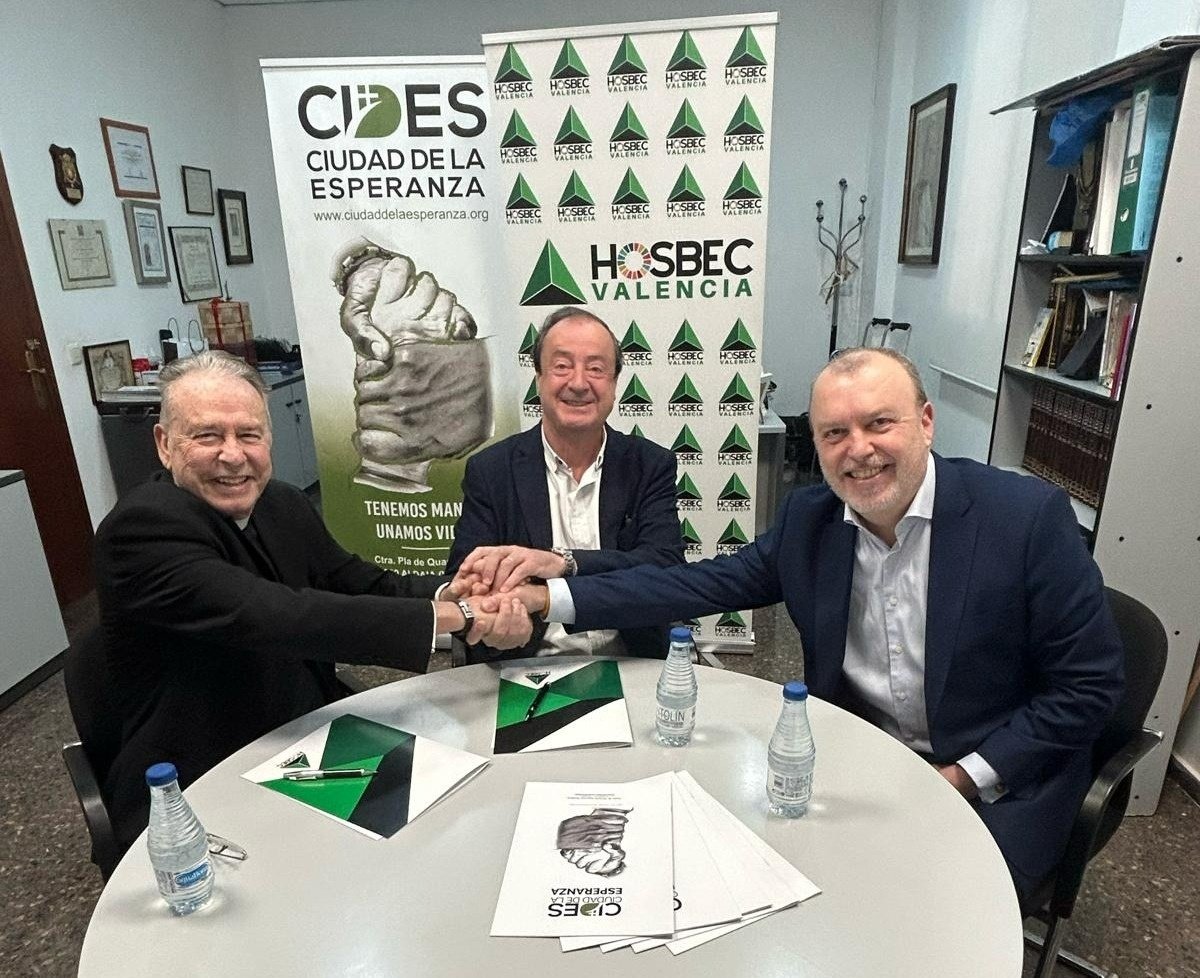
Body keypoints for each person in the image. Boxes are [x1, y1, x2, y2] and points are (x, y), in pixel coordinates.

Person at [491, 347, 1123, 910]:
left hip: (1000, 774)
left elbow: (1089, 687)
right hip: (864, 757)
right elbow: (691, 584)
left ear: (926, 422)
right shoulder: (810, 520)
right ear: (815, 446)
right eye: (834, 433)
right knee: (780, 887)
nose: (859, 449)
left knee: (940, 911)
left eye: (880, 423)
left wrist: (960, 778)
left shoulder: (1024, 518)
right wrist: (551, 596)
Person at [93, 350, 529, 850]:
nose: (233, 455)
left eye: (249, 435)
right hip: (202, 778)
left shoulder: (281, 503)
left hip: (307, 737)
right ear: (164, 445)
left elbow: (363, 584)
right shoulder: (142, 530)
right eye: (208, 435)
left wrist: (451, 592)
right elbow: (280, 616)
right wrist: (461, 616)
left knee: (460, 819)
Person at [448, 306, 683, 662]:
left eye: (596, 368)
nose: (578, 382)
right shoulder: (491, 470)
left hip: (632, 659)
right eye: (561, 366)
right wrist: (490, 617)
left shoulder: (649, 465)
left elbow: (664, 568)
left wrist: (562, 563)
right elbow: (466, 579)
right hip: (524, 663)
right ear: (539, 378)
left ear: (615, 383)